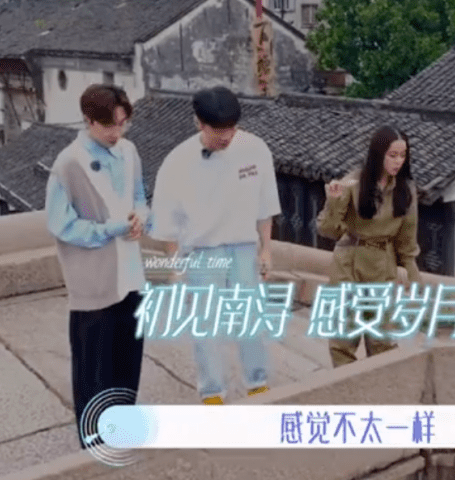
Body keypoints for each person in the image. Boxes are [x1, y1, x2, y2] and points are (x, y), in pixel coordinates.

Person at [149, 86, 282, 405]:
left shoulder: (255, 149)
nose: (227, 137)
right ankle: (212, 392)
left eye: (232, 129)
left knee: (250, 319)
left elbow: (265, 206)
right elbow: (167, 220)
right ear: (199, 123)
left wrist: (266, 249)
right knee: (206, 326)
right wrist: (176, 268)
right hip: (201, 251)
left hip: (243, 246)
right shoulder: (178, 161)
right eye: (219, 130)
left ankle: (257, 383)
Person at [45, 84, 147, 448]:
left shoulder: (129, 151)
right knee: (94, 366)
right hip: (93, 280)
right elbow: (61, 225)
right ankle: (94, 442)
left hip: (131, 274)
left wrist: (141, 217)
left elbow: (139, 195)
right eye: (108, 125)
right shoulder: (68, 163)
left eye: (122, 123)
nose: (117, 132)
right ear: (88, 121)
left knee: (127, 360)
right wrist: (111, 229)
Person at [316, 125, 422, 368]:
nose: (398, 161)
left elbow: (407, 243)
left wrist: (414, 280)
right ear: (378, 154)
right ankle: (347, 384)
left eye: (402, 155)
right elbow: (327, 229)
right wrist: (334, 202)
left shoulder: (406, 190)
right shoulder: (353, 183)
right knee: (343, 336)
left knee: (382, 337)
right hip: (349, 261)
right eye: (392, 155)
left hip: (383, 264)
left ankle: (380, 387)